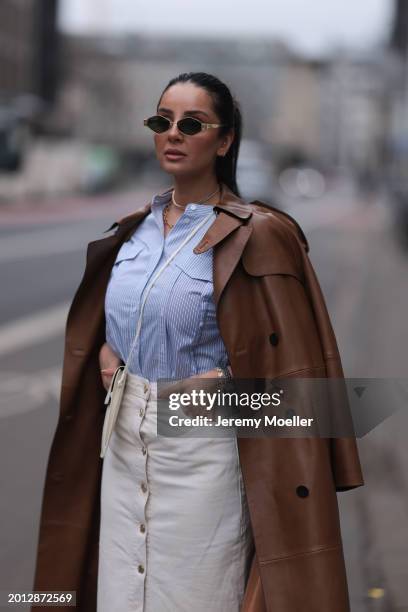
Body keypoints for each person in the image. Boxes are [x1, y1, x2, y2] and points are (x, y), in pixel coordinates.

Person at [32, 72, 364, 612]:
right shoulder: (131, 231)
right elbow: (112, 322)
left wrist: (217, 397)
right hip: (120, 452)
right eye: (162, 121)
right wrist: (107, 351)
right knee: (121, 595)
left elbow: (305, 399)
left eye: (192, 123)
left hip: (205, 462)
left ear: (225, 139)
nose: (173, 134)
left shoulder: (262, 235)